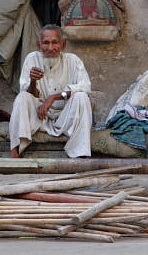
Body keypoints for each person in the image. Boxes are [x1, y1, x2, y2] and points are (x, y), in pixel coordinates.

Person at [9, 24, 92, 158]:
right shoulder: (32, 59)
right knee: (22, 97)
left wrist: (53, 97)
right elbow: (30, 94)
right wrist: (33, 81)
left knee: (82, 97)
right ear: (39, 44)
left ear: (63, 44)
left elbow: (86, 86)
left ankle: (80, 153)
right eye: (46, 43)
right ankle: (16, 150)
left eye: (55, 42)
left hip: (65, 117)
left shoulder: (73, 61)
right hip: (39, 117)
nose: (50, 48)